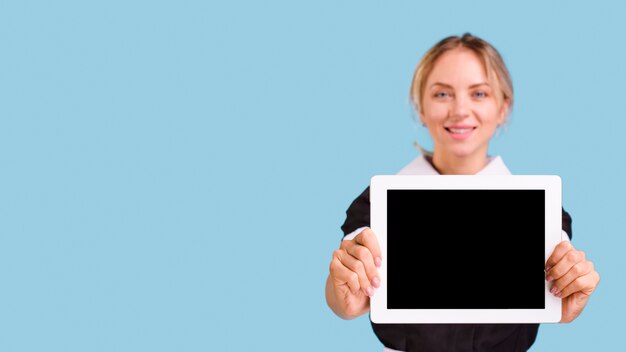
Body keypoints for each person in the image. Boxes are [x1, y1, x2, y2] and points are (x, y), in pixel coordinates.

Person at [325, 33, 600, 352]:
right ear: (421, 106)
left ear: (503, 108)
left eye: (479, 93)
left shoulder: (541, 210)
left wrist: (568, 286)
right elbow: (344, 294)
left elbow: (558, 286)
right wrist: (343, 296)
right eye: (442, 94)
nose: (460, 110)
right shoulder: (378, 202)